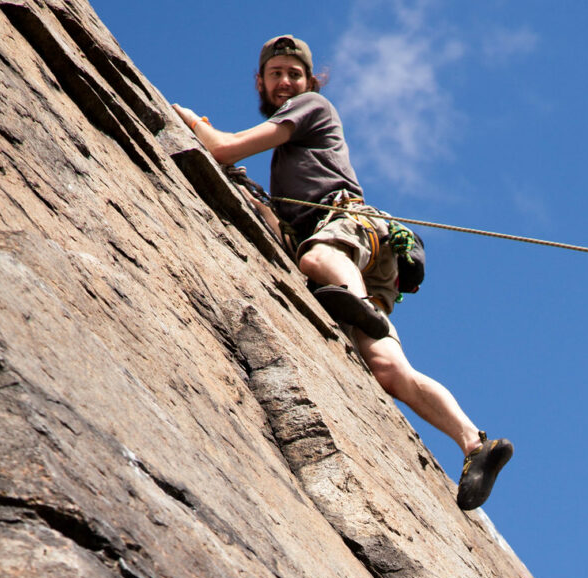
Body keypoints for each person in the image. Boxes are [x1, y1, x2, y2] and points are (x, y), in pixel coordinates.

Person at [172, 35, 512, 512]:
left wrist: (188, 122)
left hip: (348, 229)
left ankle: (357, 306)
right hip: (366, 253)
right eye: (277, 74)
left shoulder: (310, 107)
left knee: (315, 262)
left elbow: (225, 149)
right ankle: (475, 443)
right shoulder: (292, 157)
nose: (286, 82)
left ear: (310, 82)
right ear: (261, 82)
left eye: (294, 74)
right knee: (390, 370)